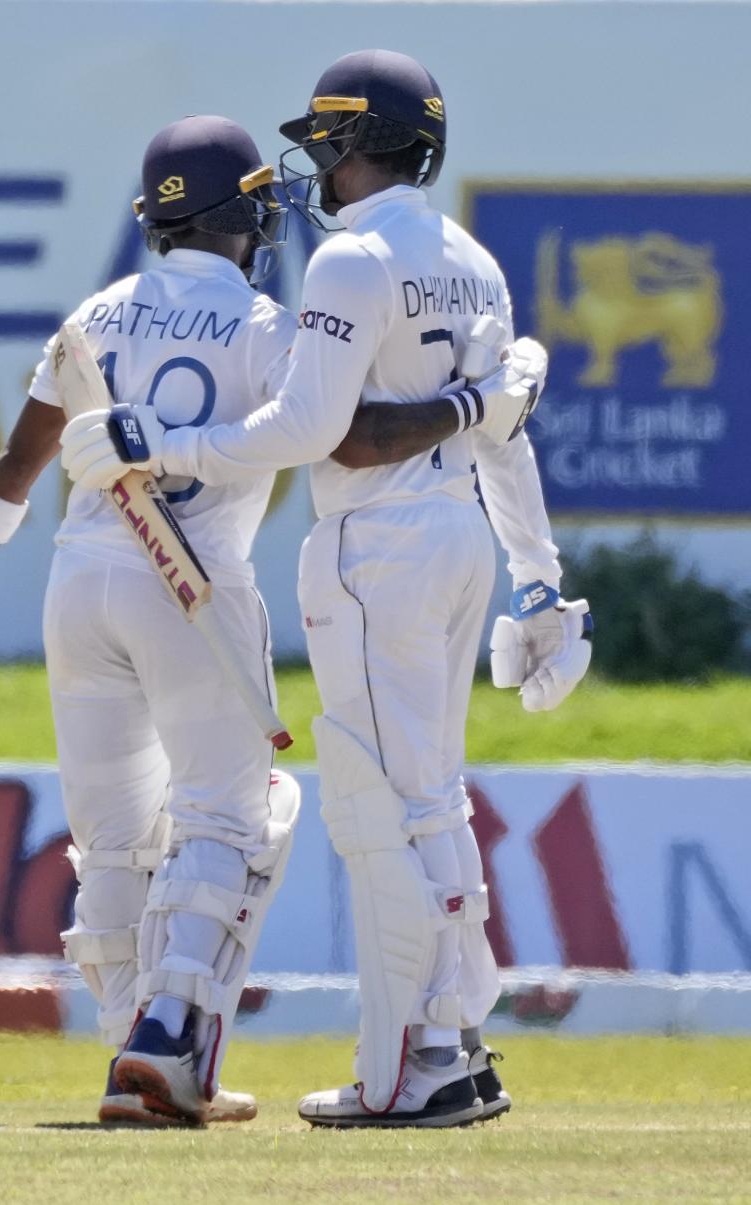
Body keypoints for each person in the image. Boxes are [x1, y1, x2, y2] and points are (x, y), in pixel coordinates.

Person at [61, 49, 592, 1129]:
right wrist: (540, 581)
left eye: (325, 142)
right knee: (432, 798)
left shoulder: (352, 260)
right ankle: (455, 1040)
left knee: (375, 805)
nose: (317, 164)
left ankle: (409, 1070)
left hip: (375, 550)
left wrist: (165, 446)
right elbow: (503, 434)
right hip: (459, 541)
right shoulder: (476, 263)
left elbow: (315, 437)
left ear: (357, 141)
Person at [0, 115, 302, 1128]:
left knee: (114, 845)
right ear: (242, 210)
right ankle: (166, 1040)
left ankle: (136, 1054)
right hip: (195, 587)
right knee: (228, 818)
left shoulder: (95, 316)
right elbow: (325, 435)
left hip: (79, 589)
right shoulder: (265, 328)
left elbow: (12, 471)